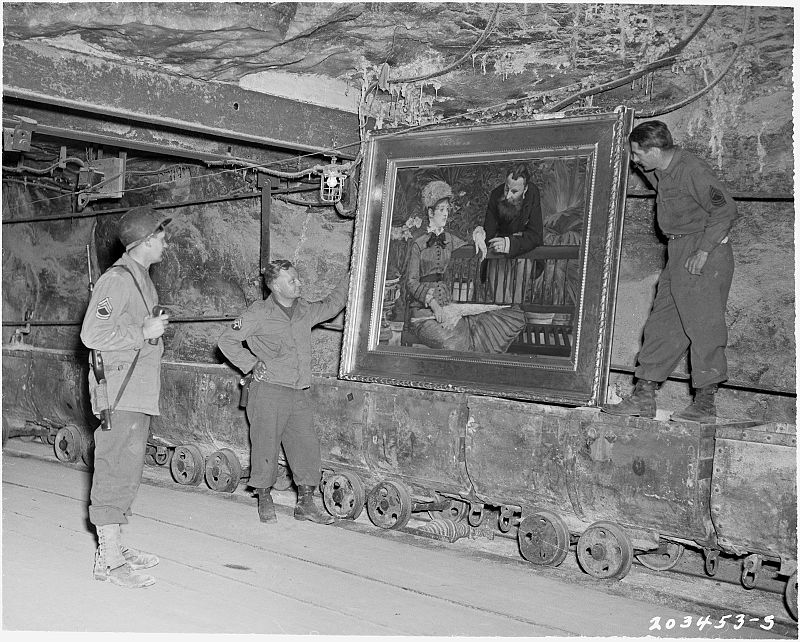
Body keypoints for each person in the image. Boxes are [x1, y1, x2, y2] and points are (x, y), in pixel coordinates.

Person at [603, 120, 737, 423]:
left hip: (703, 251)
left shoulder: (692, 169)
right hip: (678, 251)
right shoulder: (661, 170)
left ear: (653, 150)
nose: (634, 160)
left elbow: (725, 209)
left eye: (637, 154)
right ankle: (644, 396)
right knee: (662, 322)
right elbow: (658, 181)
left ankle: (705, 404)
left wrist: (704, 250)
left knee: (703, 325)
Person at [218, 260, 348, 525]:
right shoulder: (259, 312)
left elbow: (334, 304)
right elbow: (226, 340)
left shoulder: (304, 311)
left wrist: (353, 272)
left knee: (306, 446)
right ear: (276, 286)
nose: (299, 283)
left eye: (298, 279)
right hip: (268, 391)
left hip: (298, 391)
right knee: (266, 444)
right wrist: (252, 363)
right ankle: (264, 498)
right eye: (293, 281)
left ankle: (306, 504)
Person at [81, 205, 171, 588]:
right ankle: (110, 562)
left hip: (138, 390)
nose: (166, 242)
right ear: (145, 241)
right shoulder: (117, 281)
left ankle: (114, 546)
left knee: (128, 470)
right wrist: (142, 330)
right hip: (120, 393)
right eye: (161, 236)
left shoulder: (142, 278)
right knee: (115, 469)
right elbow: (92, 335)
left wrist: (147, 328)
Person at [405, 180, 526, 352]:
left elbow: (471, 240)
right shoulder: (418, 244)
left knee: (477, 333)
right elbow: (411, 283)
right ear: (430, 212)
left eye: (447, 209)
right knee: (454, 344)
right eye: (441, 210)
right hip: (423, 314)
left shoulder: (449, 239)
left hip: (448, 308)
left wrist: (478, 235)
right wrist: (433, 303)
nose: (446, 214)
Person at [478, 164, 544, 303]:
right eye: (507, 188)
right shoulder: (496, 194)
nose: (508, 195)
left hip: (523, 251)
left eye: (514, 191)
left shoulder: (532, 193)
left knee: (516, 301)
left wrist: (509, 243)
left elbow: (535, 235)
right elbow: (489, 231)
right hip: (498, 253)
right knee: (499, 301)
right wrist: (480, 234)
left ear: (525, 189)